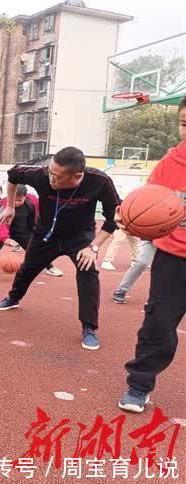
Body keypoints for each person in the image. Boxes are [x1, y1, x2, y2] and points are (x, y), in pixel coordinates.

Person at [0, 146, 121, 351]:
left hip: (80, 237)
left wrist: (93, 247)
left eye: (56, 176)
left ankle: (89, 327)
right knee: (28, 268)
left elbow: (113, 219)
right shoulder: (42, 175)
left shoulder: (99, 181)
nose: (50, 178)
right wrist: (9, 205)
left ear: (77, 175)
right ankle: (13, 297)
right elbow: (12, 175)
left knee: (88, 272)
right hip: (46, 234)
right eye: (50, 171)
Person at [118, 96, 186, 413]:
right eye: (184, 124)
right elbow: (148, 205)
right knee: (158, 323)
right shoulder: (169, 163)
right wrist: (132, 219)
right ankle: (139, 384)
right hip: (173, 257)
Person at [0, 184, 63, 277]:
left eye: (20, 200)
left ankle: (50, 267)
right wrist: (5, 238)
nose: (16, 202)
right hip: (5, 230)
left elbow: (36, 217)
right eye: (14, 200)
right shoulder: (5, 204)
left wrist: (36, 229)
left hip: (22, 231)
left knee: (35, 248)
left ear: (25, 196)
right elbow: (1, 224)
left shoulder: (32, 202)